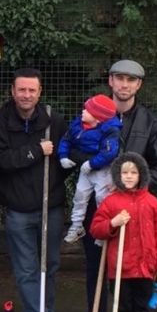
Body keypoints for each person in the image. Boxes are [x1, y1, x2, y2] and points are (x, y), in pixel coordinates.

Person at [71, 60, 157, 312]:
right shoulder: (92, 116)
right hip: (99, 207)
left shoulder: (151, 122)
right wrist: (89, 165)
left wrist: (134, 185)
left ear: (138, 85)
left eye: (131, 80)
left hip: (135, 211)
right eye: (120, 79)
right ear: (111, 82)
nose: (125, 85)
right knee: (97, 267)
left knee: (132, 272)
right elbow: (75, 148)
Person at [0, 68, 70, 312]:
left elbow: (66, 160)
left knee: (48, 267)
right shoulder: (1, 122)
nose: (26, 95)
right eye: (21, 90)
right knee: (26, 270)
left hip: (51, 208)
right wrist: (36, 151)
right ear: (12, 92)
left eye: (31, 90)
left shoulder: (54, 122)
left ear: (39, 92)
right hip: (18, 211)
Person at [89, 152, 157, 312]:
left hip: (145, 267)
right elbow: (96, 229)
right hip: (120, 268)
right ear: (118, 175)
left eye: (133, 172)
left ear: (141, 174)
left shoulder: (152, 203)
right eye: (125, 172)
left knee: (141, 309)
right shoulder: (111, 202)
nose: (129, 176)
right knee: (121, 307)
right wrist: (113, 223)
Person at [59, 94, 122, 243]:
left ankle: (103, 229)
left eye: (87, 110)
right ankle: (77, 226)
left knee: (103, 198)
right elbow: (66, 139)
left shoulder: (110, 130)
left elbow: (109, 153)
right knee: (79, 195)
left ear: (97, 117)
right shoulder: (78, 124)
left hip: (102, 169)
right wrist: (63, 156)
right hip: (85, 169)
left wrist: (92, 164)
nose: (83, 111)